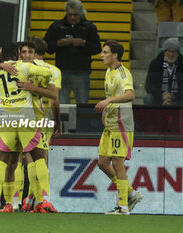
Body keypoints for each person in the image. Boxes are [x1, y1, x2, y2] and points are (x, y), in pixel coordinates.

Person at [0, 42, 57, 213]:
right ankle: (45, 200)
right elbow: (48, 72)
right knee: (38, 157)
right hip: (25, 118)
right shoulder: (24, 67)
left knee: (3, 161)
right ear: (18, 53)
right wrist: (39, 83)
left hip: (6, 119)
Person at [95, 40, 142, 215]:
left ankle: (123, 206)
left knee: (117, 162)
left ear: (115, 55)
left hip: (122, 122)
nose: (102, 55)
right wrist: (106, 108)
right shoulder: (109, 71)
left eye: (105, 52)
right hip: (111, 121)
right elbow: (113, 94)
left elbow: (130, 95)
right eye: (102, 52)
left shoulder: (123, 73)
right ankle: (130, 193)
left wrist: (108, 102)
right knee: (102, 162)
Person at [44, 0, 101, 104]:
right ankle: (63, 121)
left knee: (82, 104)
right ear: (66, 13)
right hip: (61, 72)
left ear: (81, 14)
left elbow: (97, 48)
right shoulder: (56, 26)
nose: (72, 17)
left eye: (75, 15)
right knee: (62, 105)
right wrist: (58, 44)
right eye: (70, 14)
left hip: (82, 72)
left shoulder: (90, 27)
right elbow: (45, 47)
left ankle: (80, 121)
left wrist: (83, 43)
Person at [145, 38, 183, 106]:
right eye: (169, 51)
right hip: (159, 96)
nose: (171, 54)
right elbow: (149, 86)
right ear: (164, 52)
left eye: (174, 52)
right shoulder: (155, 63)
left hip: (178, 97)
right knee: (149, 98)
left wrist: (173, 96)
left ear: (178, 53)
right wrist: (162, 95)